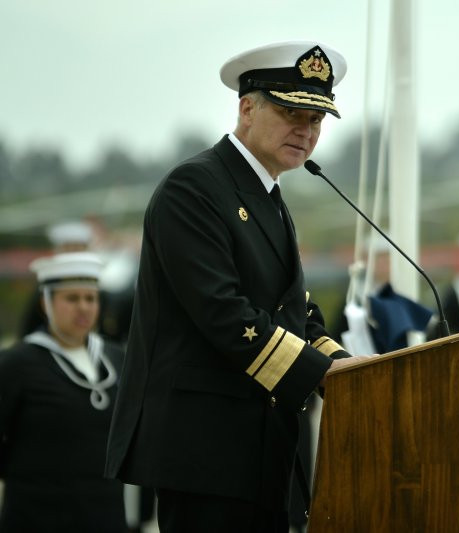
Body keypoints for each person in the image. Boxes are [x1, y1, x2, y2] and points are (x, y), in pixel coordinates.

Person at [104, 41, 361, 533]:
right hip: (205, 446)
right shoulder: (194, 188)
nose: (304, 131)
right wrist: (322, 374)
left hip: (260, 443)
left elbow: (291, 308)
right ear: (247, 107)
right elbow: (224, 312)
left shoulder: (267, 194)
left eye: (315, 120)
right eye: (290, 112)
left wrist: (347, 366)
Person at [0, 252, 127, 532]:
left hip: (107, 515)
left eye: (90, 298)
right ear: (46, 303)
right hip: (38, 518)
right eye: (71, 299)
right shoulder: (17, 362)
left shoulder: (116, 358)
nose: (83, 307)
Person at [16, 219, 94, 339]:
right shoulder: (46, 288)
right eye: (69, 248)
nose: (74, 254)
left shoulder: (96, 285)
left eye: (79, 248)